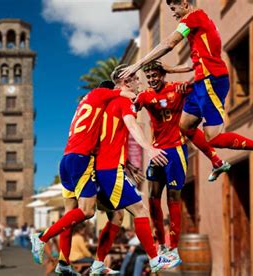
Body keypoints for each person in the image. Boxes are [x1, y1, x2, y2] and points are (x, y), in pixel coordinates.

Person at [120, 0, 253, 156]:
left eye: (174, 9)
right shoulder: (199, 22)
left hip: (211, 80)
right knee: (185, 125)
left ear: (185, 4)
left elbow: (169, 43)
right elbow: (196, 61)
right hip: (202, 82)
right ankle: (216, 162)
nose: (173, 13)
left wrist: (138, 65)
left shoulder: (193, 17)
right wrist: (172, 69)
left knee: (213, 138)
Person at [30, 80, 137, 275]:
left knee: (70, 215)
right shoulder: (103, 96)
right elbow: (127, 96)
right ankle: (42, 237)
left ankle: (63, 262)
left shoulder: (84, 105)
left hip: (66, 160)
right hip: (82, 160)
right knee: (89, 212)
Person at [89, 65, 180, 274]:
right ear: (126, 81)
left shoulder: (106, 105)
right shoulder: (122, 102)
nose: (140, 83)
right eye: (136, 79)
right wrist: (148, 147)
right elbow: (132, 126)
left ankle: (97, 263)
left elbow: (108, 139)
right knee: (140, 210)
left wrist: (126, 163)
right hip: (109, 170)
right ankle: (155, 258)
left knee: (117, 217)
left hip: (103, 169)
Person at [135, 61, 228, 262]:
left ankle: (174, 247)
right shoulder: (145, 96)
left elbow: (200, 77)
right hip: (157, 152)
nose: (151, 80)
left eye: (155, 75)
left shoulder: (177, 88)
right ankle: (161, 245)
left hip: (176, 150)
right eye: (148, 77)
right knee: (152, 199)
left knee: (173, 199)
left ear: (162, 74)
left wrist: (173, 69)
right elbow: (129, 107)